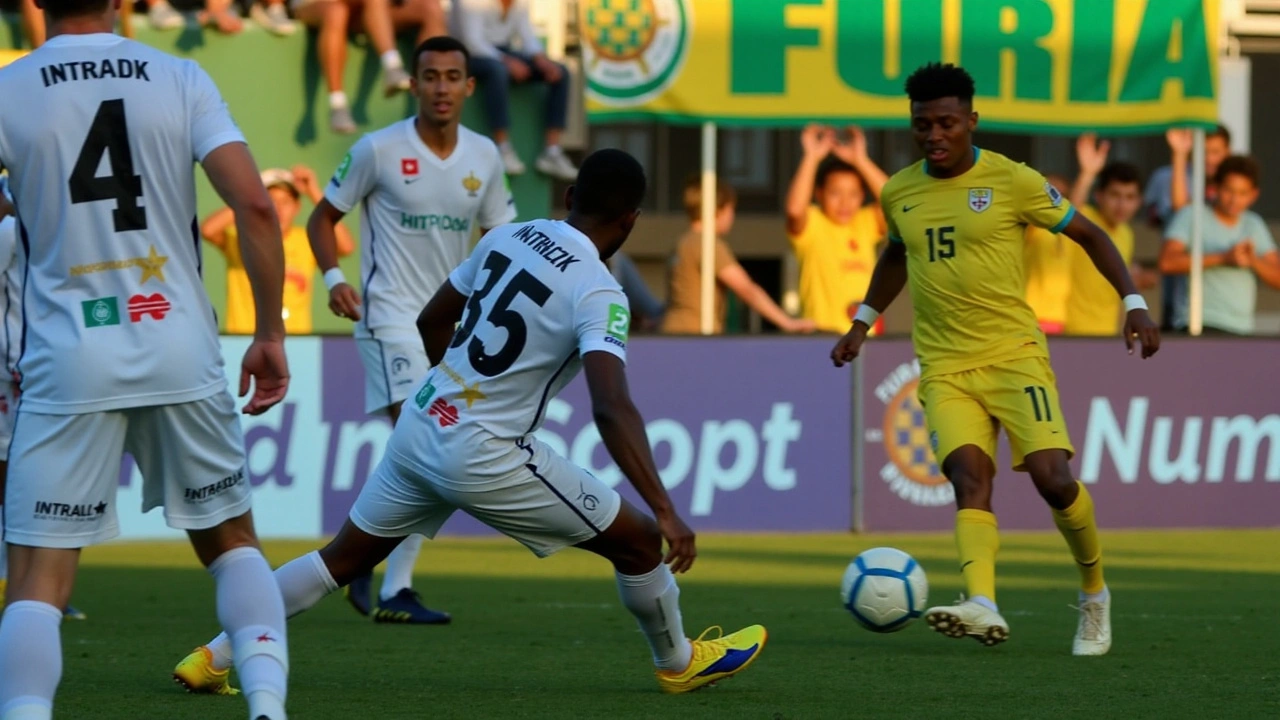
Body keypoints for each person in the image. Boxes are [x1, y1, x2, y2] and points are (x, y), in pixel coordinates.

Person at [173, 147, 768, 695]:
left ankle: (215, 656)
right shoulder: (600, 291)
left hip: (423, 420)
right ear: (632, 220)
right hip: (483, 451)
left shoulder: (508, 237)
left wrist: (459, 390)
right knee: (640, 542)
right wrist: (665, 508)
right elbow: (612, 406)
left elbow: (433, 321)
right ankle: (677, 662)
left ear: (568, 198)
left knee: (342, 558)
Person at [0, 0, 293, 717]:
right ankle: (266, 705)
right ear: (123, 3)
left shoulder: (9, 88)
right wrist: (269, 332)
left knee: (38, 578)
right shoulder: (180, 75)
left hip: (69, 356)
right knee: (231, 541)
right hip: (179, 344)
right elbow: (254, 204)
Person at [831, 62, 1161, 657]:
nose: (934, 134)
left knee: (1053, 481)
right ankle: (981, 601)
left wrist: (1133, 302)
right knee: (968, 476)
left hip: (1014, 355)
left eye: (946, 123)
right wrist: (862, 321)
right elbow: (896, 255)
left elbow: (1090, 234)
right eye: (922, 124)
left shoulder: (1012, 181)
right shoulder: (899, 191)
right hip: (945, 366)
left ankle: (1094, 594)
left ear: (971, 122)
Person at [0, 180, 88, 623]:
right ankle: (24, 586)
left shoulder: (52, 225)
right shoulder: (12, 230)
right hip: (14, 366)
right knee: (14, 474)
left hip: (48, 365)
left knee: (38, 474)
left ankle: (36, 587)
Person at [201, 166, 355, 335]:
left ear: (297, 207)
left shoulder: (307, 240)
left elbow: (346, 246)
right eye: (270, 200)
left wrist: (313, 191)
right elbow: (208, 230)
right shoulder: (243, 238)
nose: (279, 209)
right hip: (245, 341)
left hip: (297, 344)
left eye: (286, 201)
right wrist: (249, 196)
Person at [661, 177, 816, 335]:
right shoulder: (707, 244)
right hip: (696, 334)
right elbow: (746, 288)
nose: (732, 216)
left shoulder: (681, 243)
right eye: (731, 209)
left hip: (672, 331)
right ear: (718, 210)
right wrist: (787, 322)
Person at [452, 0, 578, 181]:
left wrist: (542, 61)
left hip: (502, 53)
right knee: (498, 71)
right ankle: (502, 147)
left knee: (560, 72)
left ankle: (552, 152)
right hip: (467, 55)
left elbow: (527, 35)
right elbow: (473, 43)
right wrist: (507, 61)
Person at [1158, 155, 1280, 335]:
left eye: (1242, 193)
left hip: (1241, 329)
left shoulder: (1253, 224)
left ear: (1254, 195)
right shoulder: (1192, 214)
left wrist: (1253, 260)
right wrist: (1224, 257)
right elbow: (1167, 262)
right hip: (1197, 325)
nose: (1234, 200)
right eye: (1229, 190)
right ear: (1215, 187)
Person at [785, 124, 888, 334]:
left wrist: (861, 160)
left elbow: (897, 201)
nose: (845, 203)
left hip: (866, 339)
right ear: (819, 194)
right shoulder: (814, 222)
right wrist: (811, 157)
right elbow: (795, 210)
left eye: (853, 194)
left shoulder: (864, 222)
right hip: (822, 337)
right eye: (835, 193)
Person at [297, 0, 447, 134]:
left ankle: (433, 103)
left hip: (368, 11)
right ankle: (338, 105)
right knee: (336, 12)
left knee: (431, 7)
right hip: (316, 5)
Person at [1065, 134, 1157, 335]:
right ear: (1099, 196)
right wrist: (1087, 174)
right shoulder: (1085, 218)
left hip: (1106, 331)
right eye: (1115, 195)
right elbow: (1067, 212)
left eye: (1130, 197)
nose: (1122, 205)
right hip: (1069, 328)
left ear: (1139, 202)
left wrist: (1136, 279)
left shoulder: (1126, 233)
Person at [1146, 124, 1232, 331]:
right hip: (1177, 295)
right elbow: (1182, 214)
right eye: (1203, 151)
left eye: (1215, 152)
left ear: (1228, 152)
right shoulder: (1166, 177)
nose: (1209, 159)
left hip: (1223, 303)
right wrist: (1179, 156)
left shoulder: (1233, 189)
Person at [1022, 174, 1072, 335]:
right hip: (1032, 316)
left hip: (1058, 319)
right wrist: (1087, 174)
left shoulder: (1066, 232)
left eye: (1059, 196)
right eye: (1048, 194)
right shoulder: (1034, 226)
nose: (1053, 201)